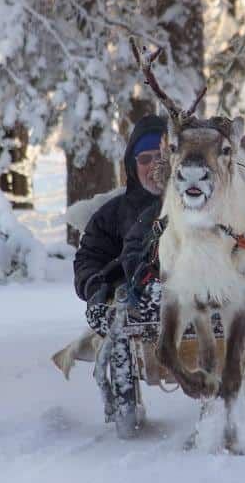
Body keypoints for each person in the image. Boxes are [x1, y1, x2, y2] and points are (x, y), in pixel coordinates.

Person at [73, 114, 167, 335]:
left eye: (161, 156)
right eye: (145, 159)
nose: (154, 165)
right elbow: (88, 259)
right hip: (134, 318)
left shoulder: (201, 209)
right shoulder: (112, 215)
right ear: (133, 165)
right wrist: (96, 288)